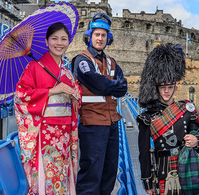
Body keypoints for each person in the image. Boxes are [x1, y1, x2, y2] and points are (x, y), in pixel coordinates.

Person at [14, 22, 82, 194]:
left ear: (68, 42)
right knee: (47, 177)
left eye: (63, 39)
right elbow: (21, 96)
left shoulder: (67, 72)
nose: (59, 43)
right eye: (54, 39)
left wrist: (75, 96)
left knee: (62, 175)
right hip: (45, 132)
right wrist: (51, 91)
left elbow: (77, 96)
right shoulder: (34, 67)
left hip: (65, 133)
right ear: (46, 41)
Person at [137, 44, 199, 195]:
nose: (166, 91)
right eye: (163, 87)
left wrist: (197, 140)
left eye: (169, 87)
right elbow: (143, 153)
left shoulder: (188, 110)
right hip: (163, 172)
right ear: (157, 88)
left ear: (175, 87)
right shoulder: (147, 117)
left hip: (189, 169)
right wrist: (147, 182)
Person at [73, 13, 127, 195]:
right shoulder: (81, 60)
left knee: (109, 172)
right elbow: (97, 82)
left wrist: (106, 86)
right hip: (92, 124)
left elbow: (123, 87)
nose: (100, 38)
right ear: (89, 36)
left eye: (104, 35)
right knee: (91, 173)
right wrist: (109, 85)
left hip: (112, 123)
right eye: (97, 34)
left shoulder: (112, 62)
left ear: (108, 38)